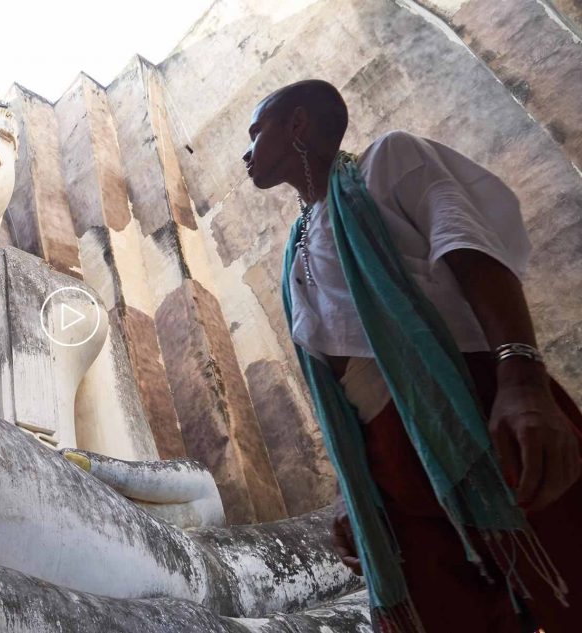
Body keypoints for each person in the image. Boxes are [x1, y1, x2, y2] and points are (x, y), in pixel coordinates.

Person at [242, 79, 582, 633]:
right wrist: (349, 492)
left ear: (298, 125)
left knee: (565, 573)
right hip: (390, 467)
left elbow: (467, 247)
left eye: (257, 133)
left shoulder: (386, 162)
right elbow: (335, 374)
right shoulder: (294, 249)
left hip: (477, 409)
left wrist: (521, 378)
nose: (246, 151)